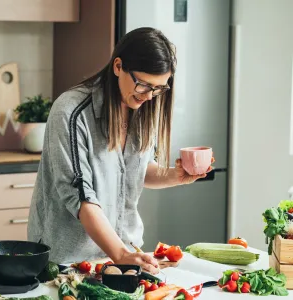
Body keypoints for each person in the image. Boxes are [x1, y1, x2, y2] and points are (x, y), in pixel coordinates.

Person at [27, 27, 213, 274]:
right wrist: (121, 254)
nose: (149, 96)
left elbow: (138, 171)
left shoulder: (143, 108)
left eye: (159, 88)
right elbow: (80, 197)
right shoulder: (71, 112)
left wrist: (175, 176)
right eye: (144, 85)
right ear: (118, 66)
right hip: (67, 263)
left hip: (122, 257)